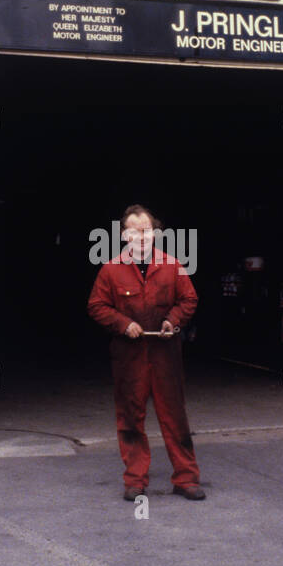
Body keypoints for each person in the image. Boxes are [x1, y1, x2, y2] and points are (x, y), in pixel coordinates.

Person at [87, 204, 203, 501]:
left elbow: (189, 299)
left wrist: (172, 321)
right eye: (135, 232)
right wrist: (123, 324)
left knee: (175, 416)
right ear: (124, 235)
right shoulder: (111, 269)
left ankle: (186, 478)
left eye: (147, 231)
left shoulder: (173, 265)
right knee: (130, 418)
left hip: (166, 355)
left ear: (156, 233)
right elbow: (96, 306)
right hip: (129, 356)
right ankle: (135, 480)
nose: (142, 237)